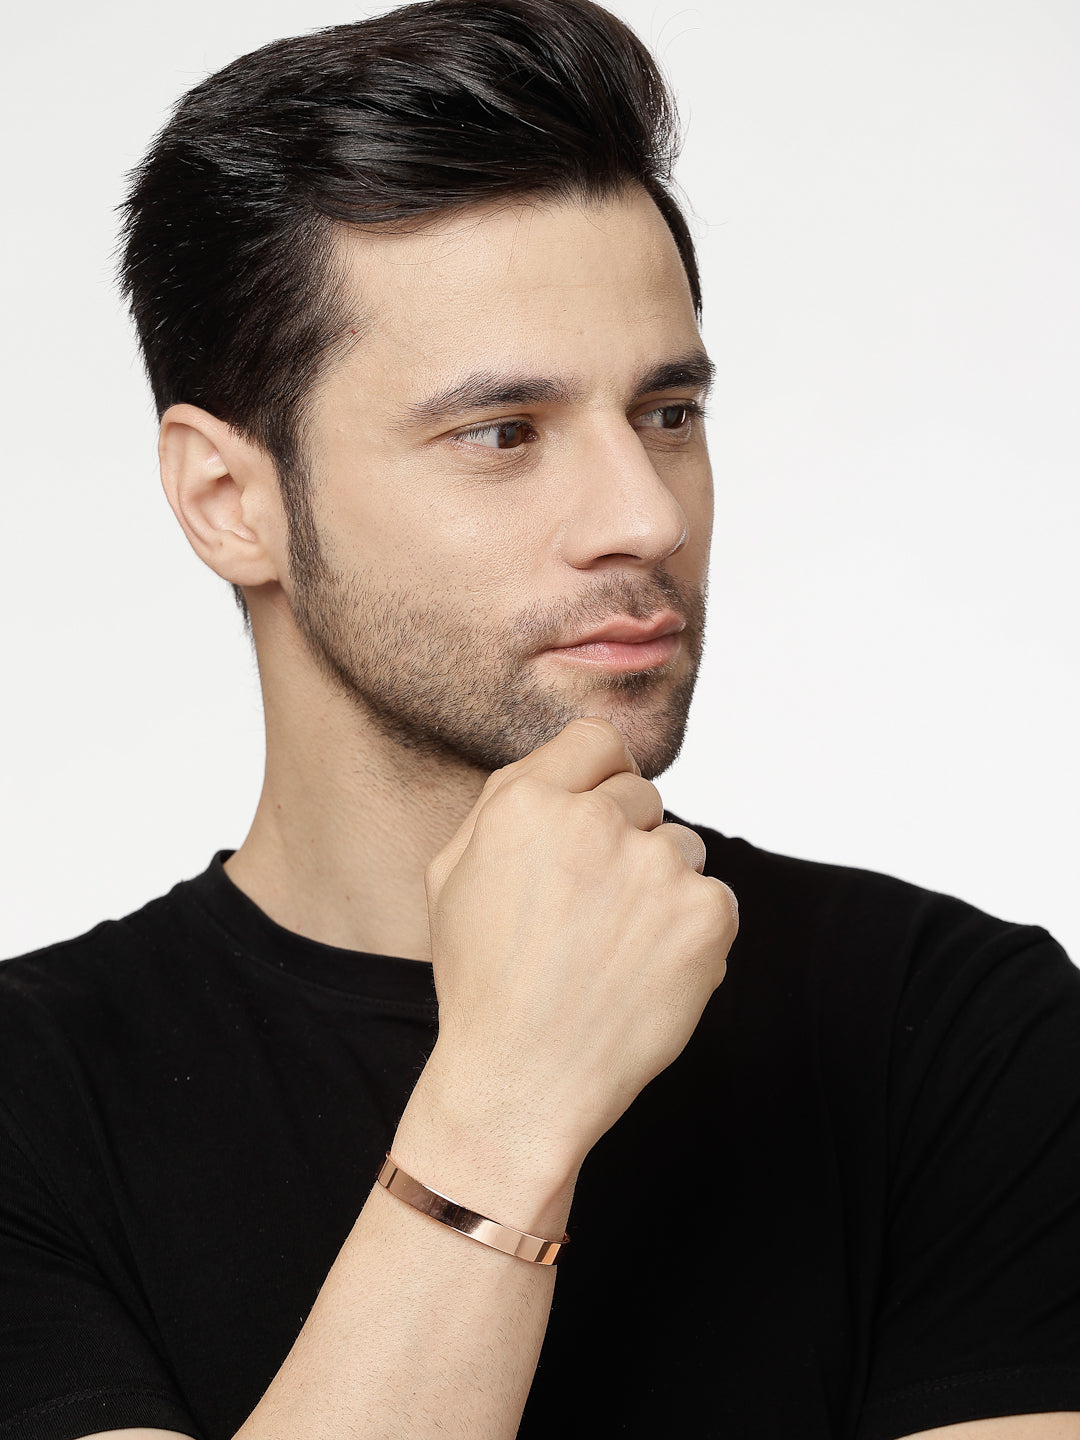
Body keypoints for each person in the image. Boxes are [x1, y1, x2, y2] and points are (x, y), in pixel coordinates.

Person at [1, 1, 1077, 1437]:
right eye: (501, 433)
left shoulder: (953, 1025)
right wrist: (505, 1109)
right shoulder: (32, 1103)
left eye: (668, 414)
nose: (644, 518)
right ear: (228, 500)